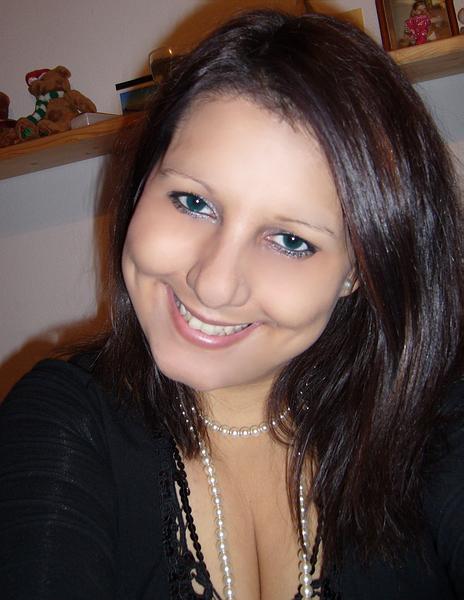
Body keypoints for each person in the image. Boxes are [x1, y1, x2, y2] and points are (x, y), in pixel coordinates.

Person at [1, 9, 463, 600]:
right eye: (193, 202)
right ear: (143, 186)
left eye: (290, 240)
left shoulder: (433, 418)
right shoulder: (62, 422)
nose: (215, 284)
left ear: (358, 270)